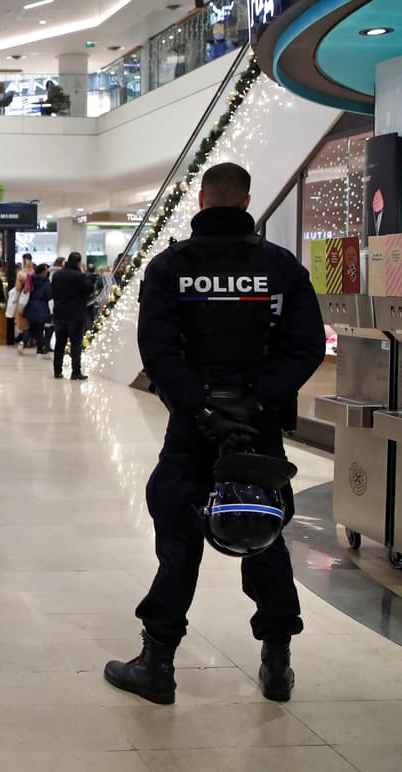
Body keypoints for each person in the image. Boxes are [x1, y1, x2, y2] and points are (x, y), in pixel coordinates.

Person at [103, 162, 325, 706]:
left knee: (178, 542)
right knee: (264, 534)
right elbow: (306, 345)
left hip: (192, 432)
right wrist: (257, 401)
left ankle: (157, 663)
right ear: (246, 202)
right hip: (259, 430)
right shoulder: (281, 267)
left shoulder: (170, 268)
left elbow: (158, 350)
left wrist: (201, 411)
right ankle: (277, 663)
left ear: (202, 200)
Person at [50, 251, 96, 380]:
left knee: (60, 344)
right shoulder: (79, 276)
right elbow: (90, 288)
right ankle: (75, 372)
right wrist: (83, 273)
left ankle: (57, 371)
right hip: (76, 315)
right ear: (78, 262)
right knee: (76, 345)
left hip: (59, 314)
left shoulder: (57, 275)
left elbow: (53, 291)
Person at [22, 264, 52, 355]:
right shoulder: (46, 282)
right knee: (39, 328)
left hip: (30, 306)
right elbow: (49, 295)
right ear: (43, 271)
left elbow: (25, 290)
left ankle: (23, 342)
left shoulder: (29, 279)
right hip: (42, 307)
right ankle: (40, 347)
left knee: (32, 327)